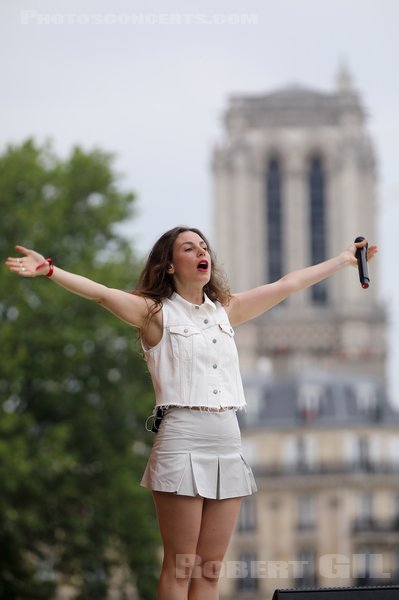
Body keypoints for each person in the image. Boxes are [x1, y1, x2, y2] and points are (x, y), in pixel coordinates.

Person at [5, 227, 377, 600]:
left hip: (227, 437)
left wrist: (343, 260)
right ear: (169, 265)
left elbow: (287, 284)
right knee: (181, 564)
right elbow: (103, 294)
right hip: (183, 436)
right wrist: (50, 270)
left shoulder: (226, 310)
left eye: (203, 246)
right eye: (189, 247)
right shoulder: (155, 313)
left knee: (210, 569)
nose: (202, 251)